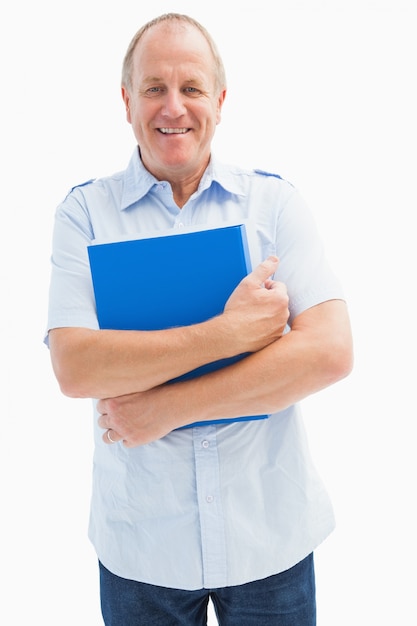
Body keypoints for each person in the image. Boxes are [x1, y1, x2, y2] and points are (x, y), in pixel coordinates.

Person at [45, 12, 353, 626]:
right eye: (154, 88)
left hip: (269, 537)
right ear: (127, 101)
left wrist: (165, 407)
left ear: (219, 99)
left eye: (190, 88)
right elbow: (77, 366)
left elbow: (329, 352)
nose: (173, 108)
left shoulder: (273, 203)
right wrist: (231, 334)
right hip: (143, 549)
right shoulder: (85, 214)